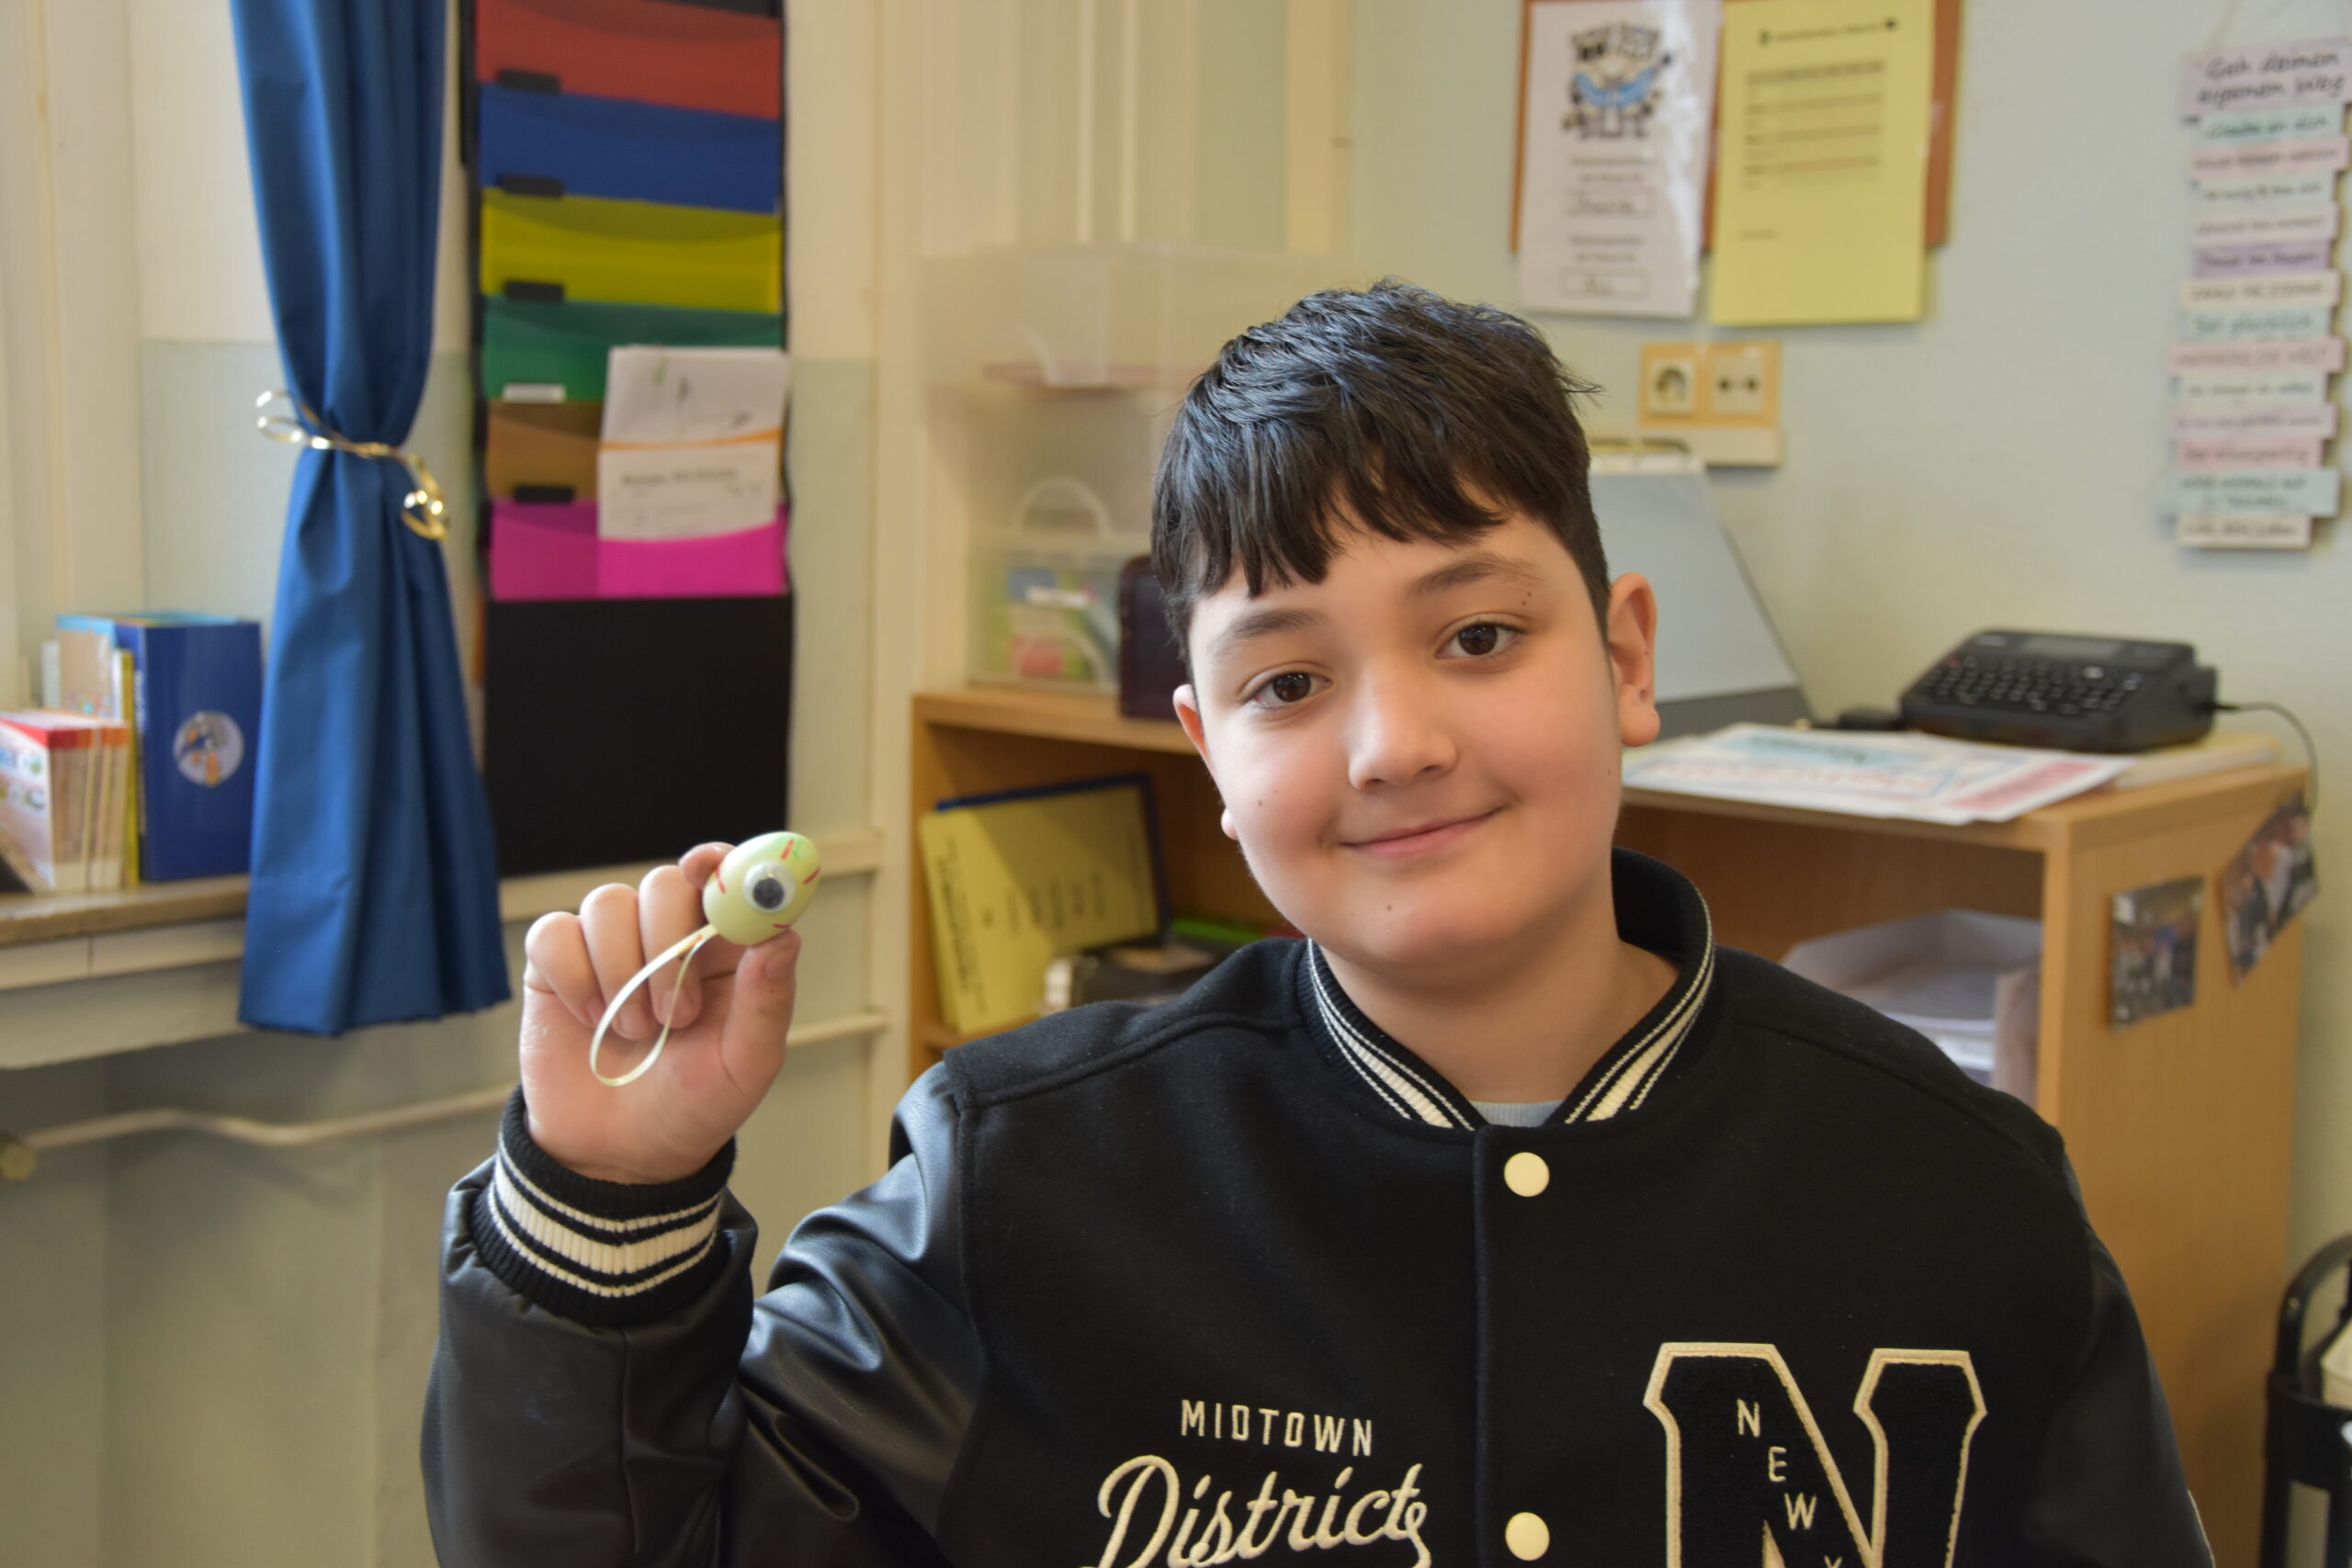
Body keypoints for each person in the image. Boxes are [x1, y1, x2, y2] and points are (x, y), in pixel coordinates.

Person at [424, 283, 2210, 1566]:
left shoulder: (1962, 1196)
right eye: (1286, 679)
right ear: (1206, 747)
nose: (1393, 744)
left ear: (1626, 657)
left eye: (1478, 636)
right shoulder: (1009, 1187)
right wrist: (604, 1200)